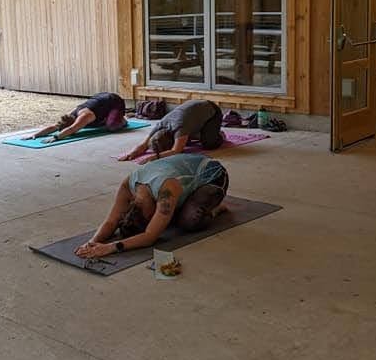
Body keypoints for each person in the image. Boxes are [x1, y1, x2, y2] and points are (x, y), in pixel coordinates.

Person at [74, 153, 229, 258]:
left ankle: (215, 209)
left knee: (189, 221)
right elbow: (111, 221)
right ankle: (181, 204)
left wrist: (110, 247)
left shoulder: (166, 191)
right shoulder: (128, 186)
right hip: (183, 173)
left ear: (150, 214)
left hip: (213, 176)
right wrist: (92, 242)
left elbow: (150, 237)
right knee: (165, 220)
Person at [119, 99, 223, 162]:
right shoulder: (160, 125)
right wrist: (130, 154)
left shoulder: (180, 129)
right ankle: (197, 131)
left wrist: (155, 157)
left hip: (212, 110)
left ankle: (219, 134)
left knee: (209, 144)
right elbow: (143, 145)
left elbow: (176, 151)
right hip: (194, 109)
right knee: (187, 137)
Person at [25, 92, 127, 143]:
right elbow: (55, 126)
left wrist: (56, 137)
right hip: (101, 101)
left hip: (114, 102)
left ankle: (123, 120)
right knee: (91, 124)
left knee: (111, 127)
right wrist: (35, 135)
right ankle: (105, 118)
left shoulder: (85, 116)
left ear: (73, 122)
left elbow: (72, 129)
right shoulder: (70, 115)